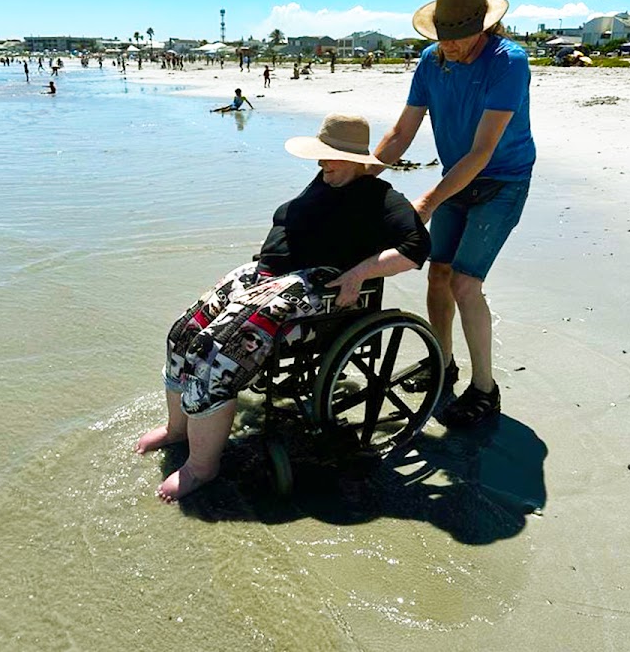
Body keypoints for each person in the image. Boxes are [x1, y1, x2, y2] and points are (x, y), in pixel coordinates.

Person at [135, 113, 431, 501]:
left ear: (359, 161)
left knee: (217, 350)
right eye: (321, 156)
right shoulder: (325, 181)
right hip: (267, 275)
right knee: (183, 333)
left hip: (313, 287)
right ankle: (178, 430)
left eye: (332, 157)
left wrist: (358, 274)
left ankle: (201, 467)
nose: (323, 164)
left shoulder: (381, 198)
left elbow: (416, 249)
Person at [372, 0, 535, 429]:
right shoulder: (432, 61)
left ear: (482, 27)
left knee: (465, 282)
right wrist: (358, 176)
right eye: (441, 36)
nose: (449, 45)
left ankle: (486, 388)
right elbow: (401, 132)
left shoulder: (508, 62)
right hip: (456, 182)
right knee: (437, 273)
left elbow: (482, 153)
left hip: (502, 181)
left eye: (458, 37)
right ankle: (442, 363)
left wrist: (425, 202)